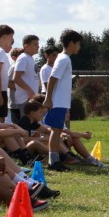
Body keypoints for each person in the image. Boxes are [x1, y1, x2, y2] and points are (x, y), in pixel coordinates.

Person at [43, 29, 83, 172]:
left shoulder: (63, 58)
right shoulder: (64, 59)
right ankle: (53, 161)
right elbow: (52, 78)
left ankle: (54, 160)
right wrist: (48, 98)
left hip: (61, 102)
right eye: (78, 44)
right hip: (57, 101)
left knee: (57, 130)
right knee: (56, 131)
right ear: (71, 43)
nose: (79, 47)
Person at [10, 34, 40, 121]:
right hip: (25, 99)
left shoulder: (30, 58)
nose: (38, 46)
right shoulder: (23, 58)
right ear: (26, 46)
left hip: (31, 98)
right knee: (26, 125)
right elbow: (16, 78)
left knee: (32, 125)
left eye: (38, 44)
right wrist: (29, 91)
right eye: (35, 44)